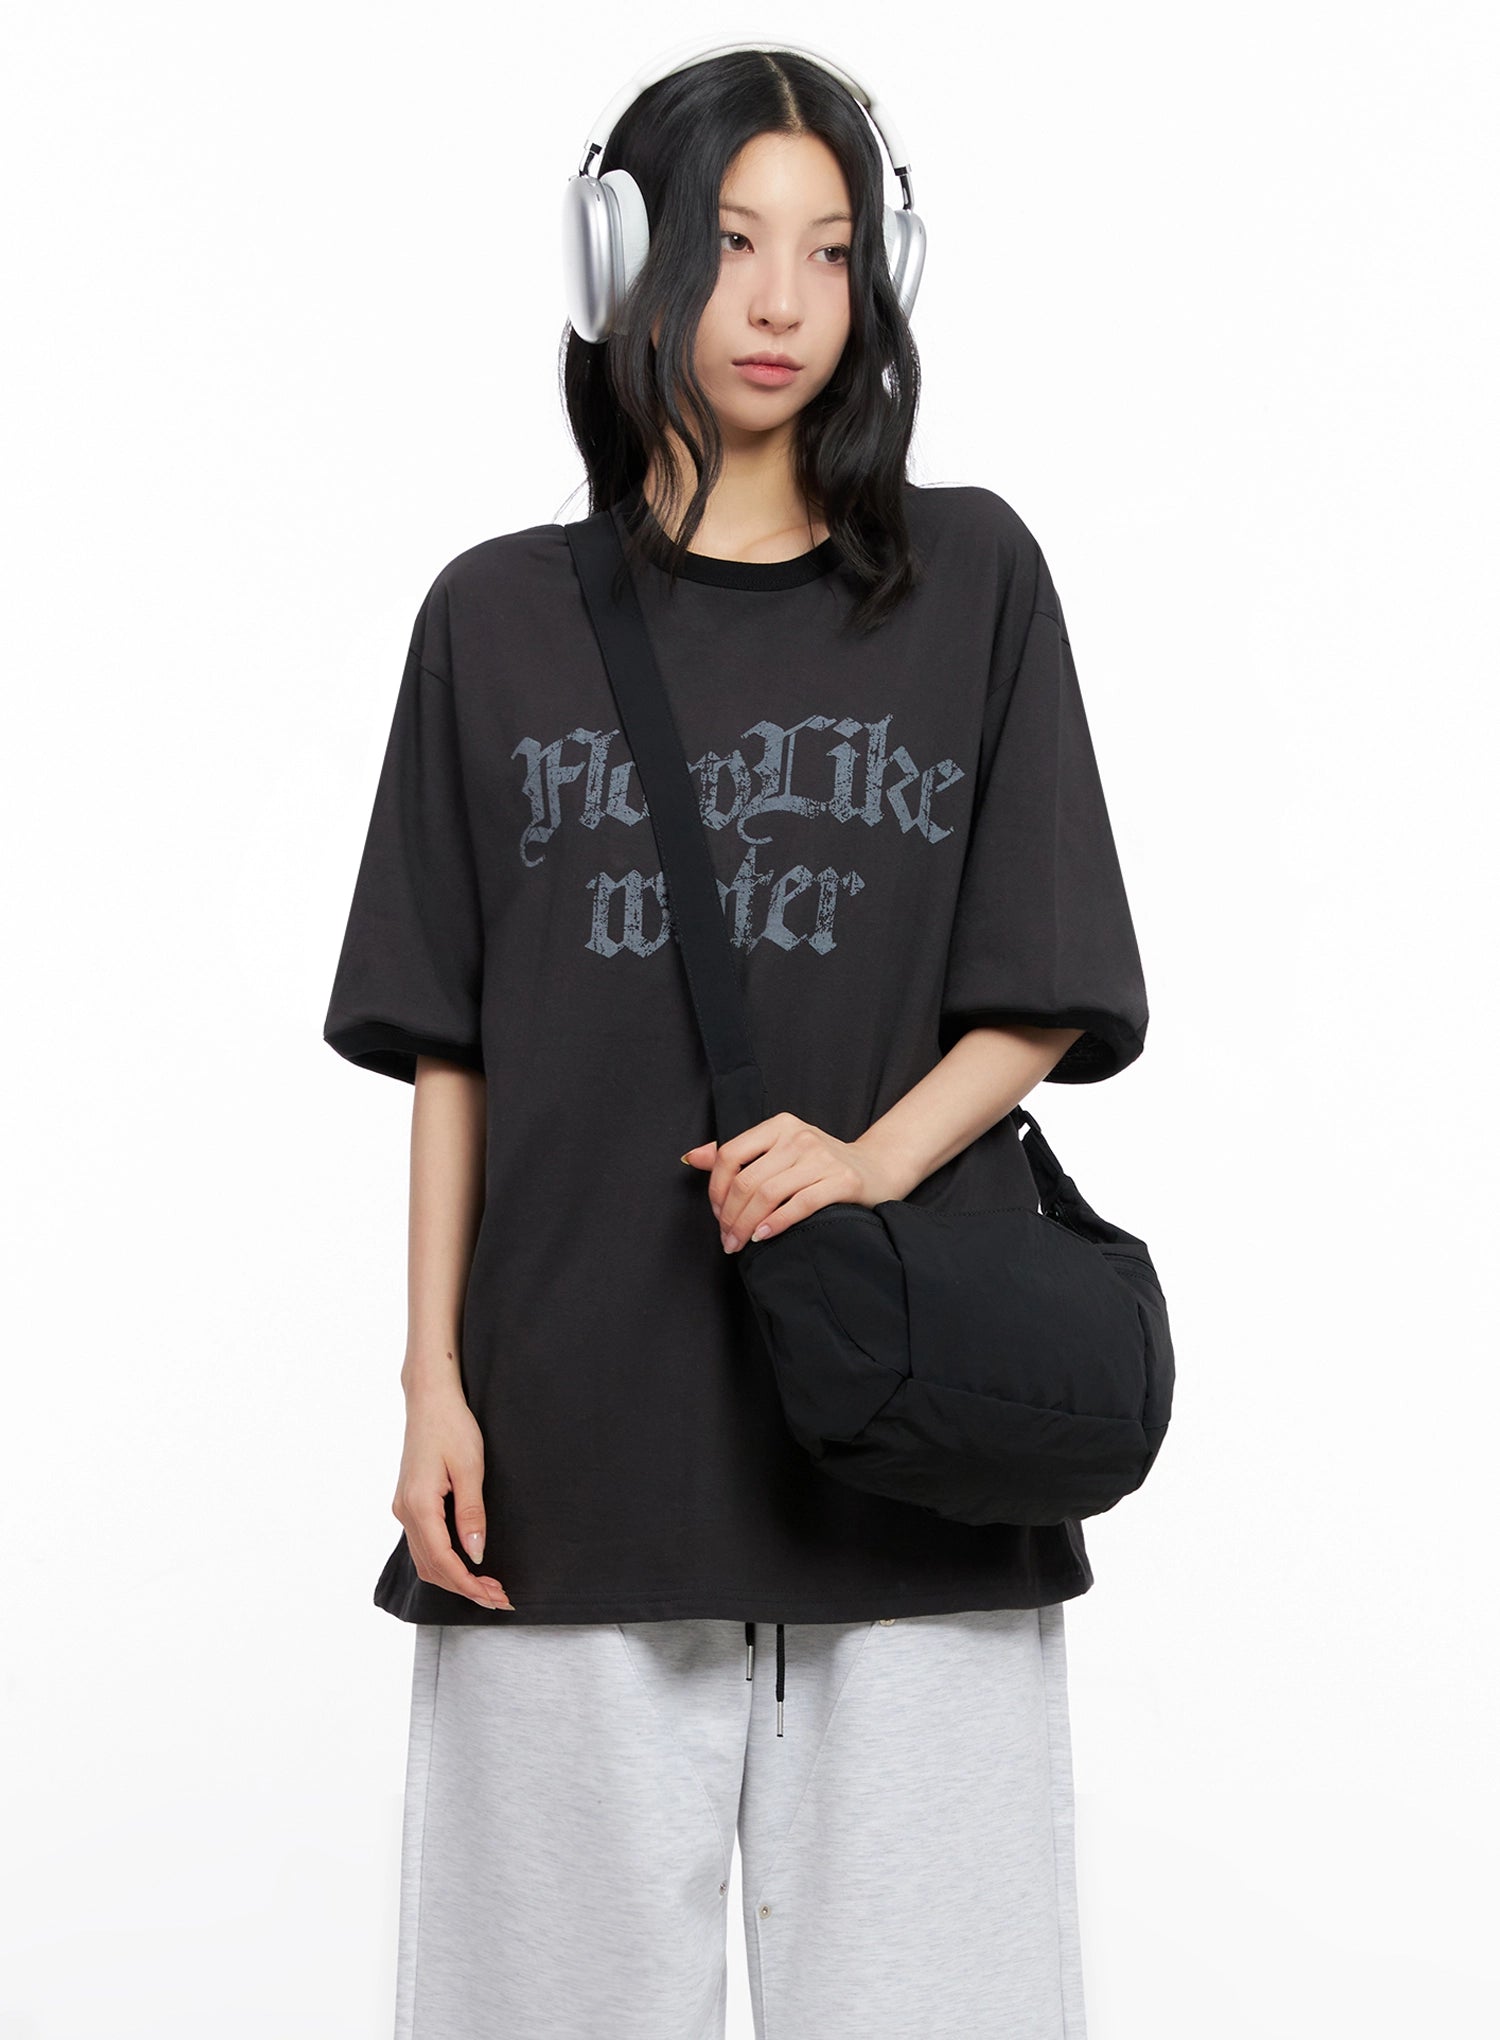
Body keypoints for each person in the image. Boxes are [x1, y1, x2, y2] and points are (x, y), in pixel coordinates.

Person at [323, 37, 1148, 2040]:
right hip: (570, 1462)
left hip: (907, 1472)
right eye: (732, 241)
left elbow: (1041, 984)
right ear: (624, 260)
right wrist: (432, 1382)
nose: (781, 300)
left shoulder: (973, 580)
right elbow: (453, 1047)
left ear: (884, 279)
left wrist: (868, 1163)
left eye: (832, 250)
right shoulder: (494, 621)